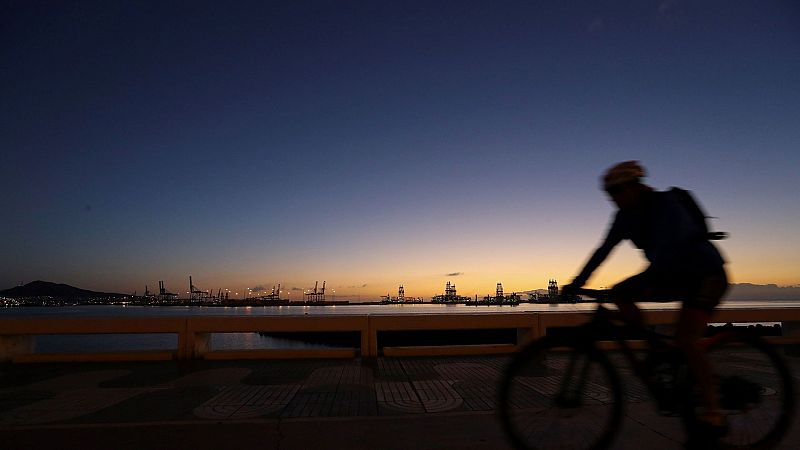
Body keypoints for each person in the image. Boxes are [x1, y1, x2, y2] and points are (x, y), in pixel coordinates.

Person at [562, 161, 729, 441]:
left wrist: (648, 281)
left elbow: (670, 250)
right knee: (620, 293)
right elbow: (602, 251)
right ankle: (656, 352)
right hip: (672, 274)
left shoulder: (665, 205)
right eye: (610, 194)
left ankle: (714, 413)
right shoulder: (623, 216)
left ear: (635, 186)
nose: (614, 198)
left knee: (686, 340)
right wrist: (577, 283)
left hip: (705, 274)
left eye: (618, 191)